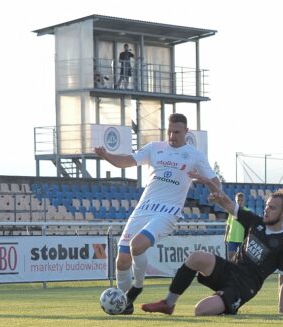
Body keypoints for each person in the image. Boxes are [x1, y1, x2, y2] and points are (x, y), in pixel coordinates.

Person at [94, 113, 220, 314]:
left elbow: (214, 180)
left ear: (186, 131)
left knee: (137, 245)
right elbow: (127, 160)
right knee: (122, 260)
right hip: (143, 208)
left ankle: (137, 288)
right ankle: (125, 304)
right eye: (169, 131)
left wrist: (215, 193)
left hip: (168, 211)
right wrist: (107, 156)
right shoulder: (154, 148)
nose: (172, 136)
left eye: (177, 132)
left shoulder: (194, 155)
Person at [141, 177, 283, 316]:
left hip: (244, 286)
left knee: (200, 310)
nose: (266, 210)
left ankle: (227, 303)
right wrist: (210, 185)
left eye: (272, 208)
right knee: (197, 257)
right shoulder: (256, 221)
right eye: (267, 206)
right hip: (230, 269)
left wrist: (281, 312)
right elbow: (229, 204)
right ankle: (168, 304)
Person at [225, 192, 249, 260]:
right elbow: (228, 224)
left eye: (241, 200)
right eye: (238, 200)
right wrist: (225, 236)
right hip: (231, 238)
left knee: (243, 258)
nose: (240, 202)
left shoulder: (247, 212)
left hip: (242, 238)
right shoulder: (232, 211)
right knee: (231, 257)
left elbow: (249, 227)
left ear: (244, 201)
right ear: (235, 200)